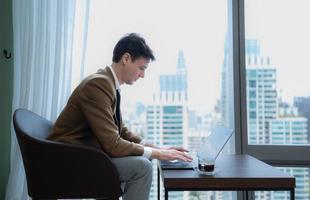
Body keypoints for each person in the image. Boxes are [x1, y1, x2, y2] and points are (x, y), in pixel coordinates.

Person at [48, 33, 192, 200]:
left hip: (84, 154)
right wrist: (156, 154)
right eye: (142, 68)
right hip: (69, 160)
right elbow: (113, 144)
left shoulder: (108, 84)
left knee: (137, 161)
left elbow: (120, 130)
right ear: (126, 58)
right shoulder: (99, 85)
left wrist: (158, 148)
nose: (143, 75)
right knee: (142, 167)